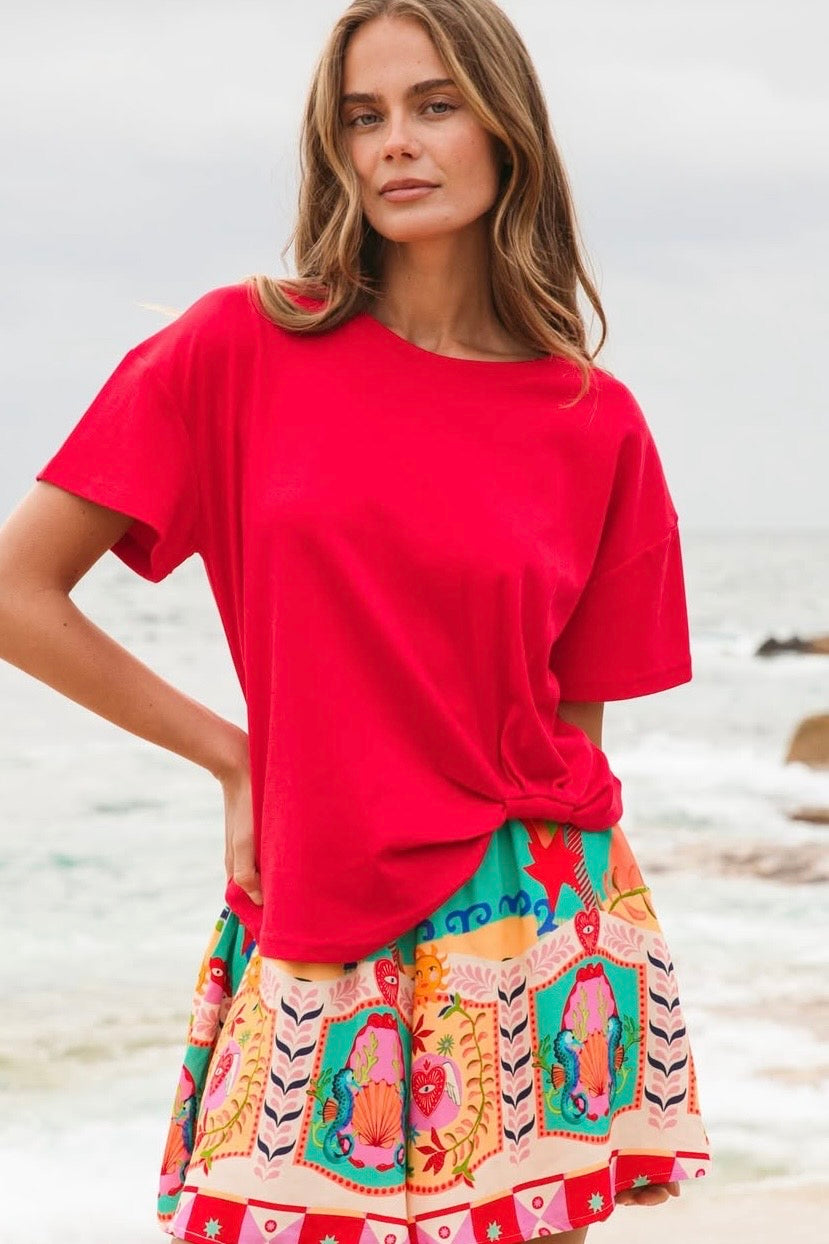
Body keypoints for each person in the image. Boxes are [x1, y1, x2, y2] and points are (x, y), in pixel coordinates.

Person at [0, 1, 713, 1241]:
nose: (395, 143)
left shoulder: (593, 420)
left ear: (507, 129)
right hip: (316, 901)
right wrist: (235, 758)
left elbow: (572, 731)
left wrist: (556, 958)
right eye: (361, 117)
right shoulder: (240, 344)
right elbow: (19, 590)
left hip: (529, 914)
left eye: (435, 106)